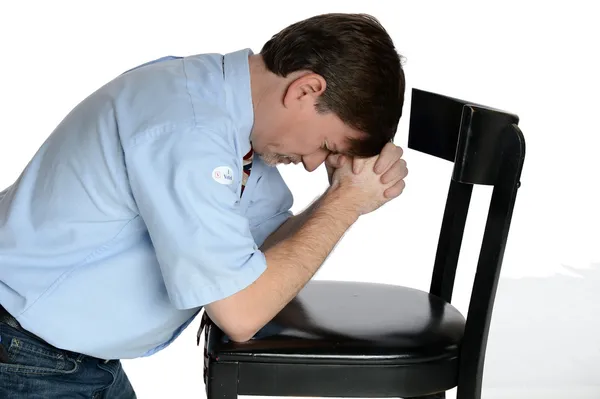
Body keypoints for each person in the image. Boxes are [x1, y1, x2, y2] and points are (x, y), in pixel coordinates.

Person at [0, 12, 408, 398]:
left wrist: (344, 189)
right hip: (28, 358)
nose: (313, 163)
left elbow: (260, 258)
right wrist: (344, 203)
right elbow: (240, 313)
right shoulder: (192, 134)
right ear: (305, 89)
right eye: (325, 145)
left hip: (59, 356)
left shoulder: (219, 102)